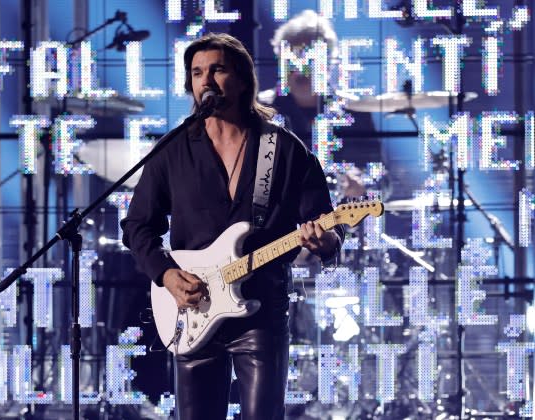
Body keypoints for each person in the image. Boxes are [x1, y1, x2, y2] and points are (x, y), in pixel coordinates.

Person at [121, 33, 343, 420]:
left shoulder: (283, 148)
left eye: (217, 70)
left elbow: (326, 224)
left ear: (242, 80)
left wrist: (324, 241)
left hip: (261, 311)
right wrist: (166, 274)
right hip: (192, 308)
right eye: (196, 73)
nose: (205, 80)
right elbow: (138, 225)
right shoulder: (173, 150)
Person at [260, 9, 383, 197]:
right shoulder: (258, 110)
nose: (301, 69)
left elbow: (383, 179)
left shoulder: (355, 112)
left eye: (310, 60)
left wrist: (362, 181)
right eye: (293, 59)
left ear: (328, 63)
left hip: (339, 222)